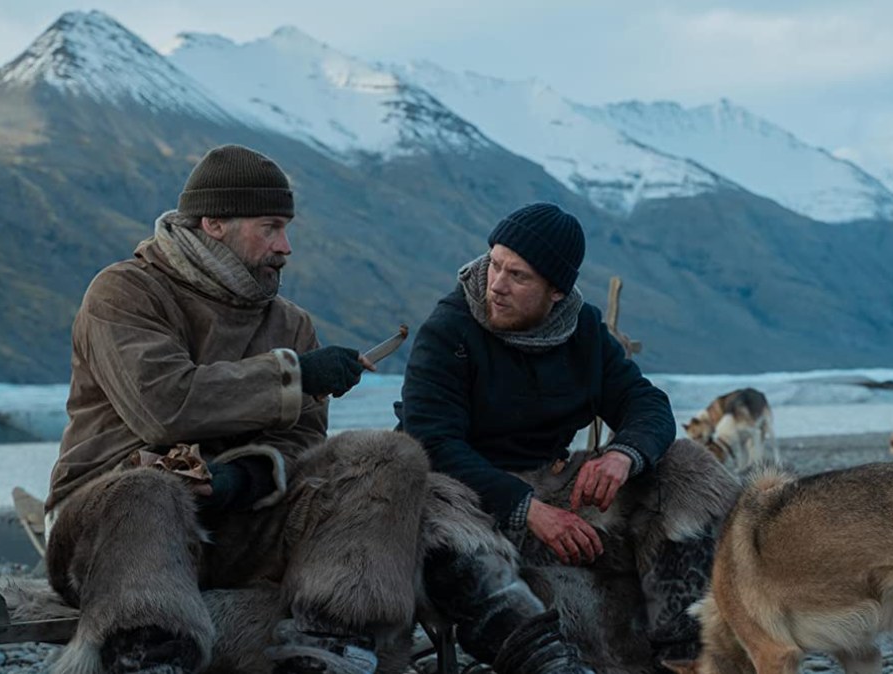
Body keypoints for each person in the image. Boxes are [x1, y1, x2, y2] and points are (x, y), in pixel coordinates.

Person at [45, 146, 586, 674]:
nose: (285, 246)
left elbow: (301, 445)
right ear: (213, 223)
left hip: (236, 520)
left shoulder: (290, 322)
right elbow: (163, 406)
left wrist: (239, 479)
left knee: (389, 458)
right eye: (271, 227)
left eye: (287, 228)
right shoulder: (124, 293)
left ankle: (335, 643)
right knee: (150, 491)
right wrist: (295, 375)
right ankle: (149, 657)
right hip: (110, 520)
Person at [400, 202, 739, 671]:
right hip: (461, 496)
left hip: (553, 484)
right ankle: (549, 661)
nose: (496, 285)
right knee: (446, 524)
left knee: (686, 468)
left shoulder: (582, 331)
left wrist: (624, 455)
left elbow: (647, 405)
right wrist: (525, 509)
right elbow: (430, 442)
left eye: (518, 276)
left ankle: (685, 649)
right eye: (495, 264)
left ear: (556, 291)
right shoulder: (449, 330)